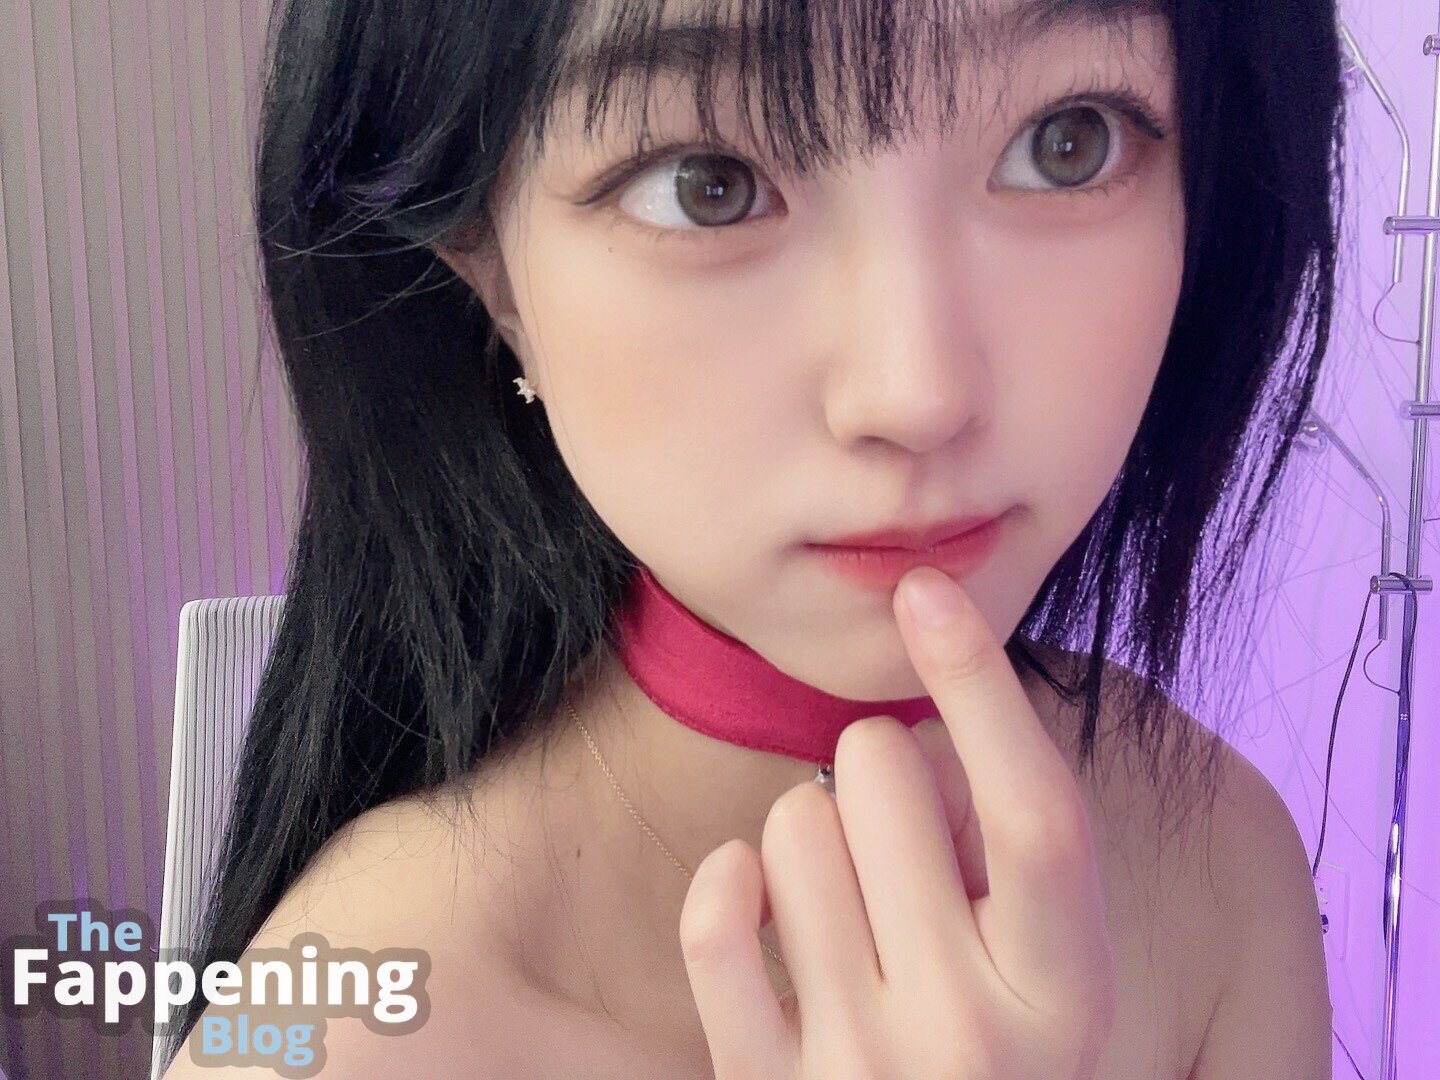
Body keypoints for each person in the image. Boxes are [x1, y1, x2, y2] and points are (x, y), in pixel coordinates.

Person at [163, 0, 1346, 1075]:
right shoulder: (335, 1027)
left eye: (1066, 141)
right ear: (493, 279)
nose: (916, 392)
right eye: (706, 184)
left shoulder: (1222, 867)